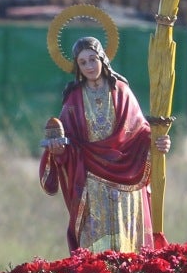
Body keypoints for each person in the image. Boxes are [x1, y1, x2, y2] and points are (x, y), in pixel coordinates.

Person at [39, 35, 168, 253]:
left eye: (93, 59)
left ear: (102, 58)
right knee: (98, 250)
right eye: (83, 62)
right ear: (77, 67)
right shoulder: (74, 99)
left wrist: (158, 142)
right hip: (92, 183)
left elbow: (140, 132)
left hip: (127, 180)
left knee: (129, 245)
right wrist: (59, 151)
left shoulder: (121, 91)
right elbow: (67, 143)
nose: (89, 66)